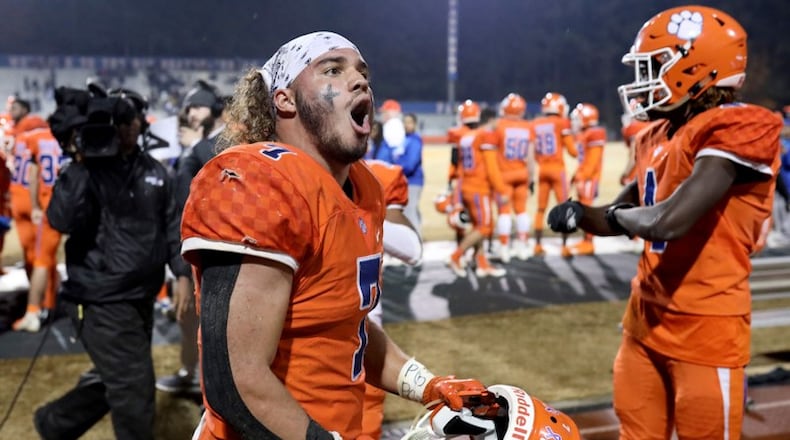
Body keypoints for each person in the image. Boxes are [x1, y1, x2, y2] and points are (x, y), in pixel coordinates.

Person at [180, 31, 493, 439]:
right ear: (285, 98)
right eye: (332, 70)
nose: (360, 80)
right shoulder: (257, 182)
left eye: (363, 72)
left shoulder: (363, 188)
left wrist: (427, 385)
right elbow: (233, 381)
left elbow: (346, 326)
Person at [547, 6, 782, 439]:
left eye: (655, 66)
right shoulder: (657, 133)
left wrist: (613, 217)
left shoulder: (741, 124)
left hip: (706, 324)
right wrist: (582, 213)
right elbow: (620, 212)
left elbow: (670, 220)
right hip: (645, 318)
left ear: (697, 68)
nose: (644, 80)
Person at [34, 86, 191, 440]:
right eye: (116, 120)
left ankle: (56, 423)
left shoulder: (155, 171)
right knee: (134, 390)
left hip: (140, 298)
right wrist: (79, 160)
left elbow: (171, 228)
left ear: (141, 120)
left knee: (118, 379)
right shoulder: (88, 171)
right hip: (101, 300)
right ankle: (56, 423)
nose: (126, 126)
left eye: (131, 117)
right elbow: (60, 220)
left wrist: (182, 275)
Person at [155, 80, 227, 396]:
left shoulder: (216, 144)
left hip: (215, 249)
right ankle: (191, 374)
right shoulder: (197, 144)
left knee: (214, 326)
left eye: (196, 107)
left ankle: (211, 389)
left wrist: (184, 271)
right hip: (195, 247)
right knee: (190, 321)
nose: (190, 114)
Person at [360, 158, 422, 439]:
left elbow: (412, 249)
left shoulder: (376, 177)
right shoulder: (284, 173)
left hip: (363, 340)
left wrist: (353, 212)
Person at [10, 109, 63, 332]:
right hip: (53, 203)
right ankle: (45, 304)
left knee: (35, 256)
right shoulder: (59, 139)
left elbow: (28, 171)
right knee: (44, 258)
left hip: (20, 197)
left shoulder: (25, 139)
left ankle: (38, 306)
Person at [446, 107, 509, 278]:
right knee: (485, 227)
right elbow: (492, 168)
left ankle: (481, 262)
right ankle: (456, 256)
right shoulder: (485, 135)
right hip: (479, 188)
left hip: (466, 186)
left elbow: (458, 167)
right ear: (492, 120)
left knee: (477, 226)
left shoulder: (466, 136)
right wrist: (502, 190)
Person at [532, 92, 577, 258]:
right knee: (564, 208)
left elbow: (534, 150)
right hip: (557, 170)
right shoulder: (561, 123)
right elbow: (572, 151)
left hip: (543, 169)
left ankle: (537, 245)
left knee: (540, 208)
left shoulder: (536, 124)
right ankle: (564, 247)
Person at [494, 93, 535, 262]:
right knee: (521, 211)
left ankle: (504, 248)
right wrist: (531, 178)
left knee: (504, 212)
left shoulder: (499, 126)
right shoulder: (528, 127)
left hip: (504, 174)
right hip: (522, 174)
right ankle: (521, 246)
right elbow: (531, 157)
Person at [568, 102, 606, 256]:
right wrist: (575, 176)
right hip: (583, 177)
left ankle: (589, 242)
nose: (574, 122)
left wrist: (582, 177)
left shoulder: (594, 133)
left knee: (588, 211)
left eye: (577, 119)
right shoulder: (583, 134)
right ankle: (585, 240)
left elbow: (592, 161)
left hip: (589, 179)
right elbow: (582, 161)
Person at [391, 112, 424, 235]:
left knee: (410, 212)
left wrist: (394, 170)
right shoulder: (404, 139)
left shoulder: (415, 140)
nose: (406, 125)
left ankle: (416, 242)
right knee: (410, 211)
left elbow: (411, 164)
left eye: (409, 122)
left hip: (413, 181)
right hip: (405, 180)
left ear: (415, 124)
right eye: (405, 122)